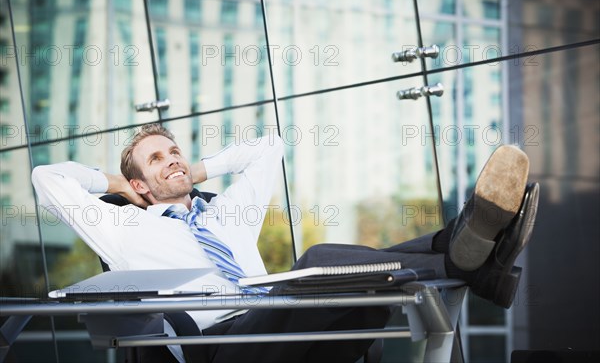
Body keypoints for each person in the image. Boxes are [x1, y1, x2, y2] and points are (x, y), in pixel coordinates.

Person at [31, 123, 539, 363]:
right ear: (139, 185)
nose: (173, 160)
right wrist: (119, 186)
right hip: (217, 346)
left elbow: (268, 146)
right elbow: (45, 178)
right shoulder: (128, 229)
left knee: (349, 284)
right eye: (157, 160)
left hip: (286, 320)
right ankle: (466, 253)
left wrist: (194, 171)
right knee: (319, 261)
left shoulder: (228, 212)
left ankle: (468, 254)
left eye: (175, 151)